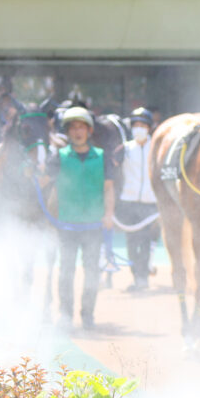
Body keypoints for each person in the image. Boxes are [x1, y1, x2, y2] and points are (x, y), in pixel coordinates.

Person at [46, 107, 116, 330]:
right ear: (68, 132)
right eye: (73, 127)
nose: (77, 132)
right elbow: (44, 185)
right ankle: (65, 315)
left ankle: (88, 315)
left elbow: (108, 189)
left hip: (93, 225)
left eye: (81, 127)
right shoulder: (59, 157)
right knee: (66, 271)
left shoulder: (102, 157)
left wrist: (108, 214)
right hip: (67, 225)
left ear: (89, 130)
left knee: (92, 273)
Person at [117, 107, 159, 292]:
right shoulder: (125, 149)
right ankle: (137, 276)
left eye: (143, 125)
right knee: (132, 241)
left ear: (149, 127)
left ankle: (143, 277)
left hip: (151, 202)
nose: (139, 129)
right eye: (135, 125)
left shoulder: (158, 148)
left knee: (146, 240)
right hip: (129, 201)